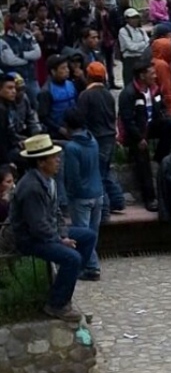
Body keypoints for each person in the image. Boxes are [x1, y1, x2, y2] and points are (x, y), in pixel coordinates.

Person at [10, 134, 97, 321]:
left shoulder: (48, 181)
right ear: (41, 162)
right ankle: (56, 304)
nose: (58, 161)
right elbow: (37, 226)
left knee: (88, 236)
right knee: (72, 258)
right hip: (30, 239)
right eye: (53, 158)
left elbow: (56, 213)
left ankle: (66, 284)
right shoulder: (32, 187)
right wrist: (60, 240)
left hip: (48, 232)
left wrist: (63, 233)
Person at [118, 62, 171, 213]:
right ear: (142, 75)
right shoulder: (128, 94)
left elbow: (159, 109)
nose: (155, 76)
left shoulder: (154, 90)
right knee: (142, 160)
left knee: (170, 125)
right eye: (152, 73)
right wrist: (138, 138)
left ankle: (158, 157)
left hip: (149, 126)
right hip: (134, 132)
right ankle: (149, 197)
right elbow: (127, 120)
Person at [61, 108, 103, 281]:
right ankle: (90, 264)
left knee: (84, 234)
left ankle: (92, 267)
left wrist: (69, 194)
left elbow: (72, 176)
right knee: (93, 232)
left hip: (81, 197)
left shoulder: (72, 148)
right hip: (98, 191)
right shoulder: (92, 140)